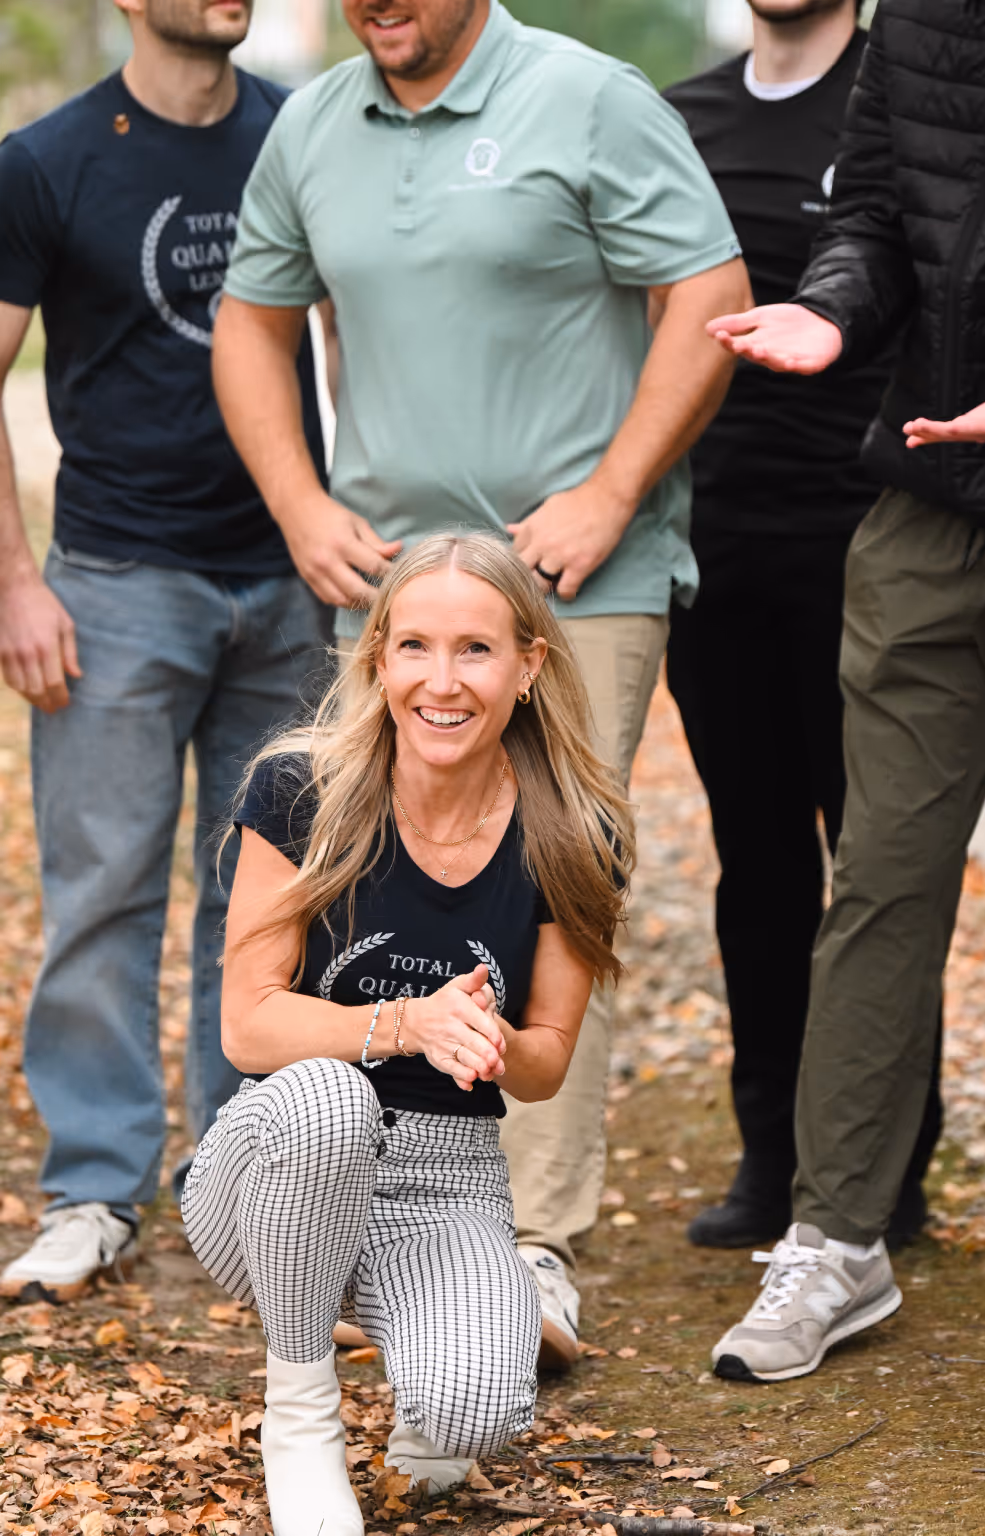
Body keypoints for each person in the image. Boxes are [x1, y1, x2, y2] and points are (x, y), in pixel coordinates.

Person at [207, 0, 751, 1367]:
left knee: (549, 874)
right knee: (372, 888)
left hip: (571, 588)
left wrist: (613, 492)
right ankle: (388, 1221)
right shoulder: (315, 124)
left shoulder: (593, 98)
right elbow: (248, 323)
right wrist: (296, 503)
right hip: (394, 600)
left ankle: (532, 1243)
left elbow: (712, 297)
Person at [182, 532, 633, 1536]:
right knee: (332, 1093)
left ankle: (425, 1317)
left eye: (475, 650)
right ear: (377, 657)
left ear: (528, 667)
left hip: (447, 1177)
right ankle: (299, 1413)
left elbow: (549, 1059)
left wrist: (486, 1040)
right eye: (414, 646)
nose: (442, 680)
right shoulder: (300, 790)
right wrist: (404, 1025)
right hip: (275, 1155)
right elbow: (249, 1029)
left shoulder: (573, 831)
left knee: (476, 1412)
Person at [705, 0, 985, 1381]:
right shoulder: (920, 20)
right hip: (931, 497)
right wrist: (833, 315)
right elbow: (880, 216)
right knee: (883, 884)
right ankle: (836, 1240)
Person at [0, 0, 330, 1301]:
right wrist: (16, 584)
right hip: (118, 584)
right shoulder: (45, 161)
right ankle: (94, 1187)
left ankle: (236, 1178)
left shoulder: (304, 138)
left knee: (264, 897)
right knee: (105, 890)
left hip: (288, 583)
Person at [661, 0, 942, 1251]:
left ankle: (888, 1169)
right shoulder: (684, 117)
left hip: (873, 546)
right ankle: (769, 1157)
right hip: (716, 548)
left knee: (876, 873)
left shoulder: (905, 99)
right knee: (758, 865)